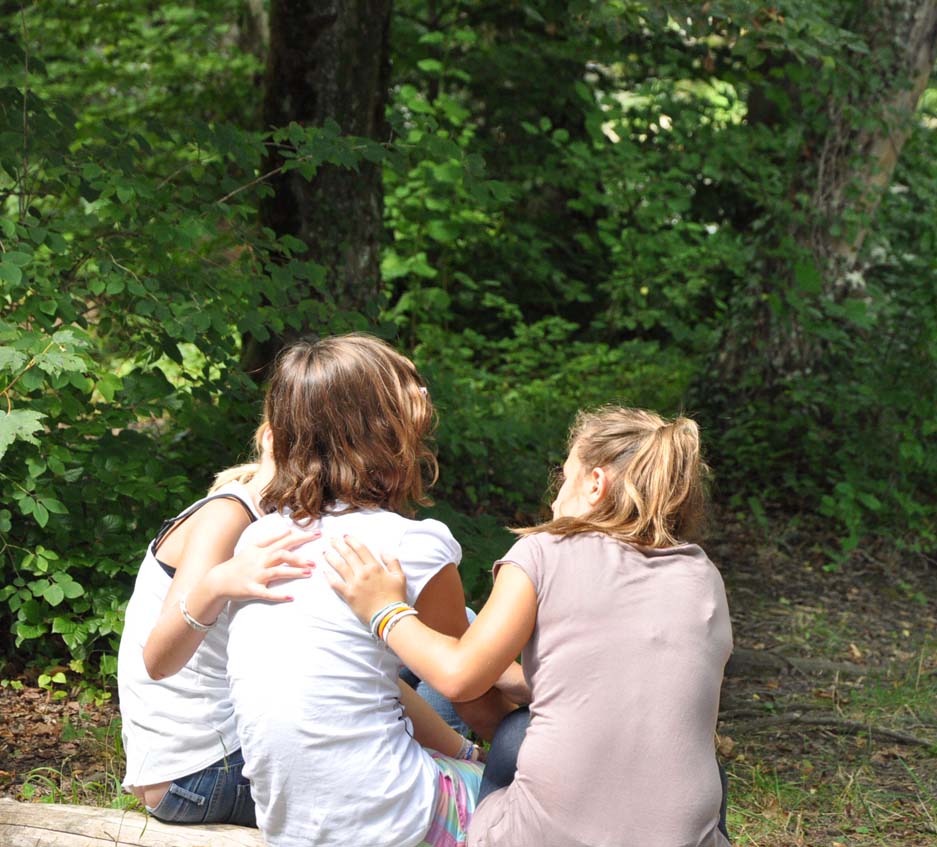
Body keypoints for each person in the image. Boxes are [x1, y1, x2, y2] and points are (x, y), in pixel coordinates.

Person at [326, 406, 734, 847]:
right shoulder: (703, 577)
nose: (555, 498)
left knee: (516, 733)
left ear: (595, 484)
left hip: (542, 836)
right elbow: (621, 683)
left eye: (565, 476)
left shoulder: (543, 551)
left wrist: (383, 609)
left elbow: (458, 677)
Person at [223, 333, 517, 847]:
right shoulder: (412, 545)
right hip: (394, 818)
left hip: (291, 827)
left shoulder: (260, 539)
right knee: (534, 804)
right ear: (386, 432)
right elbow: (474, 697)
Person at [117, 435, 317, 825]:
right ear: (269, 436)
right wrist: (217, 584)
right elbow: (157, 661)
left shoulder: (261, 516)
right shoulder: (228, 517)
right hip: (200, 774)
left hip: (187, 771)